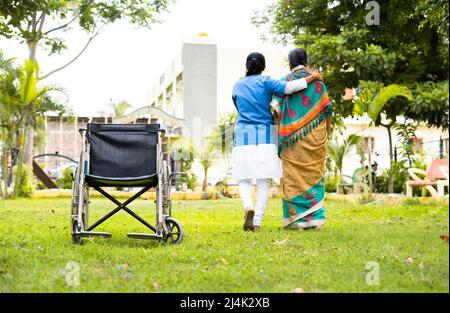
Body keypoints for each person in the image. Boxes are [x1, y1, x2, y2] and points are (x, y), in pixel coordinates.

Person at [232, 52, 322, 232]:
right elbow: (290, 87)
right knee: (263, 181)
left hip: (243, 136)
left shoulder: (238, 85)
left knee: (244, 179)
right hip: (266, 136)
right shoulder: (267, 82)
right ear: (263, 67)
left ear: (246, 67)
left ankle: (248, 207)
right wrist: (313, 77)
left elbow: (238, 106)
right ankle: (257, 222)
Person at [270, 48, 332, 231]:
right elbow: (327, 111)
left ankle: (297, 220)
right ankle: (316, 220)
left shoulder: (284, 82)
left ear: (290, 64)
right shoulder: (319, 84)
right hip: (316, 138)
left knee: (293, 177)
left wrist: (278, 136)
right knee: (314, 176)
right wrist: (325, 133)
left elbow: (274, 110)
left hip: (291, 139)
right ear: (307, 62)